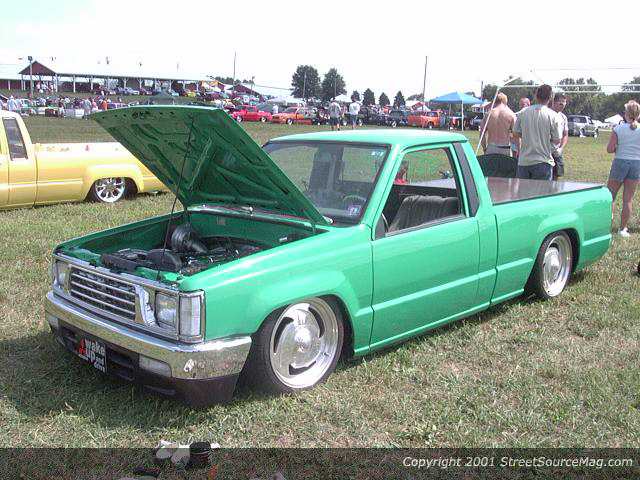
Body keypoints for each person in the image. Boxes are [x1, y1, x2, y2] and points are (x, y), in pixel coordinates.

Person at [512, 85, 562, 180]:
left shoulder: (523, 112)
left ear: (536, 96)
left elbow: (515, 133)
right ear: (550, 97)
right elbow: (557, 140)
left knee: (523, 190)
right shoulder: (553, 116)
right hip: (543, 161)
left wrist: (527, 135)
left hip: (524, 161)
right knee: (542, 190)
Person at [606, 100, 640, 237]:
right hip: (636, 164)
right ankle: (623, 229)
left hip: (620, 162)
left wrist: (617, 147)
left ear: (626, 113)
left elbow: (609, 149)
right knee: (628, 199)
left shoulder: (618, 129)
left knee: (611, 196)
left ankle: (607, 225)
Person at [551, 93, 569, 179]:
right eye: (560, 103)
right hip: (546, 151)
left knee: (557, 174)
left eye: (564, 103)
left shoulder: (563, 117)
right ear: (554, 102)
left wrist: (561, 148)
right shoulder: (547, 114)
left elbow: (565, 135)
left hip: (557, 151)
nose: (563, 105)